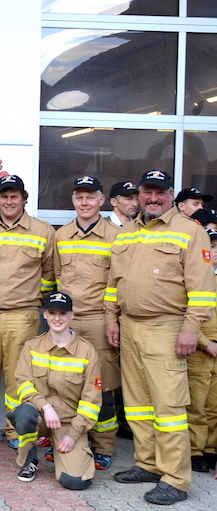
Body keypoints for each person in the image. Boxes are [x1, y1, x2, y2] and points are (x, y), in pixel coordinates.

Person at [106, 169, 216, 505]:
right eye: (147, 192)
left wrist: (190, 329)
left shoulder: (189, 231)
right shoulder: (127, 232)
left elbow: (202, 290)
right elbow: (114, 282)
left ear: (171, 196)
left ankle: (175, 479)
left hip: (167, 329)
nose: (153, 199)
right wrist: (111, 318)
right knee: (138, 405)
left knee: (169, 407)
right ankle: (148, 463)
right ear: (139, 195)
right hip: (130, 327)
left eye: (160, 193)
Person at [0, 174, 56, 450]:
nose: (9, 201)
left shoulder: (42, 231)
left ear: (24, 199)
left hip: (23, 315)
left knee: (20, 377)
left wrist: (35, 300)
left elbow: (50, 274)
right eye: (4, 196)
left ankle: (16, 431)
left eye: (14, 196)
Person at [51, 175, 121, 470]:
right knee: (65, 383)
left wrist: (112, 319)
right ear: (73, 200)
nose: (85, 202)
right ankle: (70, 440)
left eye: (90, 197)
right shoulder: (62, 236)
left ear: (102, 200)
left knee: (102, 386)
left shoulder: (116, 236)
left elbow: (118, 282)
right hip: (66, 322)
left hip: (98, 320)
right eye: (79, 197)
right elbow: (57, 276)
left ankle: (104, 446)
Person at [8, 292, 101, 491]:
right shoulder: (32, 346)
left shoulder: (87, 351)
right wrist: (46, 407)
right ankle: (29, 459)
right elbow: (23, 384)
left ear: (72, 315)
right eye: (52, 313)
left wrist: (73, 435)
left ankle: (69, 454)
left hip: (68, 422)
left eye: (63, 313)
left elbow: (91, 400)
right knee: (24, 414)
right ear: (45, 314)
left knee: (75, 481)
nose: (57, 318)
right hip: (39, 415)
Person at [188, 228, 217, 474]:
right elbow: (185, 316)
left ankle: (210, 448)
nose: (215, 252)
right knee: (195, 405)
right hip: (200, 350)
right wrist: (205, 342)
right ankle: (195, 450)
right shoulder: (193, 278)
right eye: (212, 247)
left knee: (213, 406)